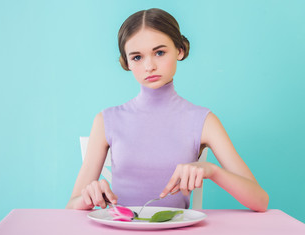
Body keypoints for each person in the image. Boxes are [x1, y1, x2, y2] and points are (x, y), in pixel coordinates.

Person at [66, 8, 269, 212]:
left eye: (160, 52)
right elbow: (70, 207)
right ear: (126, 62)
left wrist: (211, 171)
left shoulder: (204, 121)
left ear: (179, 50)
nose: (149, 66)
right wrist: (88, 197)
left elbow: (260, 201)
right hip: (119, 232)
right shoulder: (106, 121)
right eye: (137, 57)